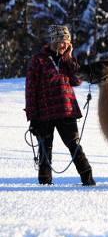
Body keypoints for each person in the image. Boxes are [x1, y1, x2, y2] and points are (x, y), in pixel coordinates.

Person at [25, 25, 96, 186]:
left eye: (66, 41)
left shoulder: (66, 60)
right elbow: (30, 90)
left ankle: (88, 179)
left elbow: (77, 80)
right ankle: (44, 182)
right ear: (53, 41)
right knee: (44, 150)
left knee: (74, 146)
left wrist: (69, 58)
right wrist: (32, 116)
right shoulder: (38, 60)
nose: (64, 44)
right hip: (44, 114)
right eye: (61, 41)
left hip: (67, 111)